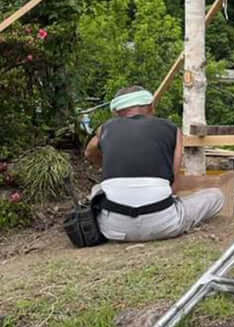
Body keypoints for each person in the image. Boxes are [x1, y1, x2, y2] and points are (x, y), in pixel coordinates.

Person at [84, 85, 224, 241]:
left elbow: (89, 153)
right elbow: (174, 186)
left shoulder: (105, 128)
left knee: (97, 189)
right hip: (162, 225)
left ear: (117, 112)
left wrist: (106, 162)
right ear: (151, 107)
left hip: (113, 230)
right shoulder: (172, 130)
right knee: (216, 196)